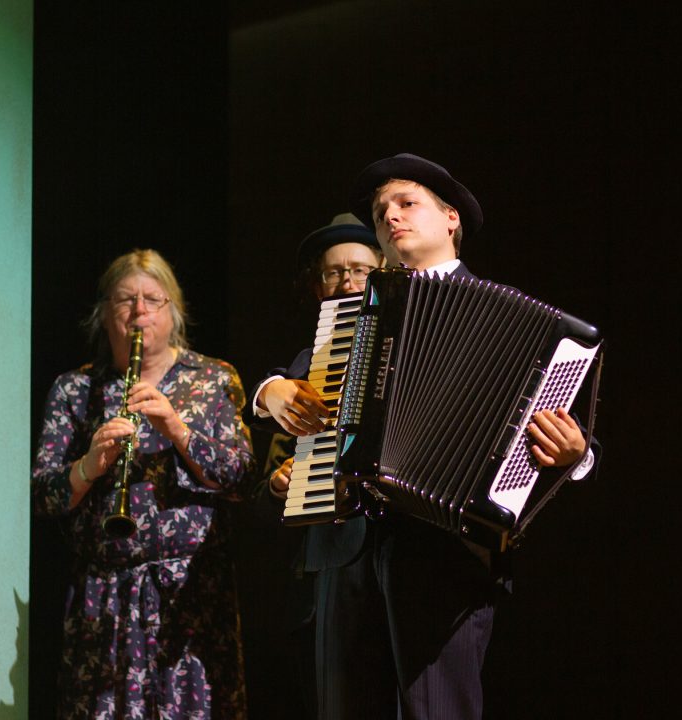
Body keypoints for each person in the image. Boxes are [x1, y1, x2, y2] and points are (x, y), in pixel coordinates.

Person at [251, 154, 599, 719]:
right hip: (347, 550)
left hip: (443, 553)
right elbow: (296, 379)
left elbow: (575, 437)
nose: (389, 216)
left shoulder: (506, 317)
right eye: (380, 210)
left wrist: (575, 455)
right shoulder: (351, 318)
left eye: (406, 203)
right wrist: (271, 391)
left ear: (451, 218)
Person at [32, 248, 254, 719]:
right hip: (105, 596)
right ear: (103, 313)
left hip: (190, 598)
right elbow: (42, 495)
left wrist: (178, 429)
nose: (138, 312)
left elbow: (242, 479)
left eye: (153, 299)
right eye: (124, 300)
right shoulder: (76, 389)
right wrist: (89, 466)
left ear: (173, 312)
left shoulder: (214, 379)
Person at [250, 212, 384, 719]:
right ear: (317, 287)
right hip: (330, 565)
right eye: (334, 273)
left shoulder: (411, 342)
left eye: (359, 270)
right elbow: (267, 496)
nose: (347, 282)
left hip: (405, 562)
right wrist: (278, 486)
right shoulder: (309, 364)